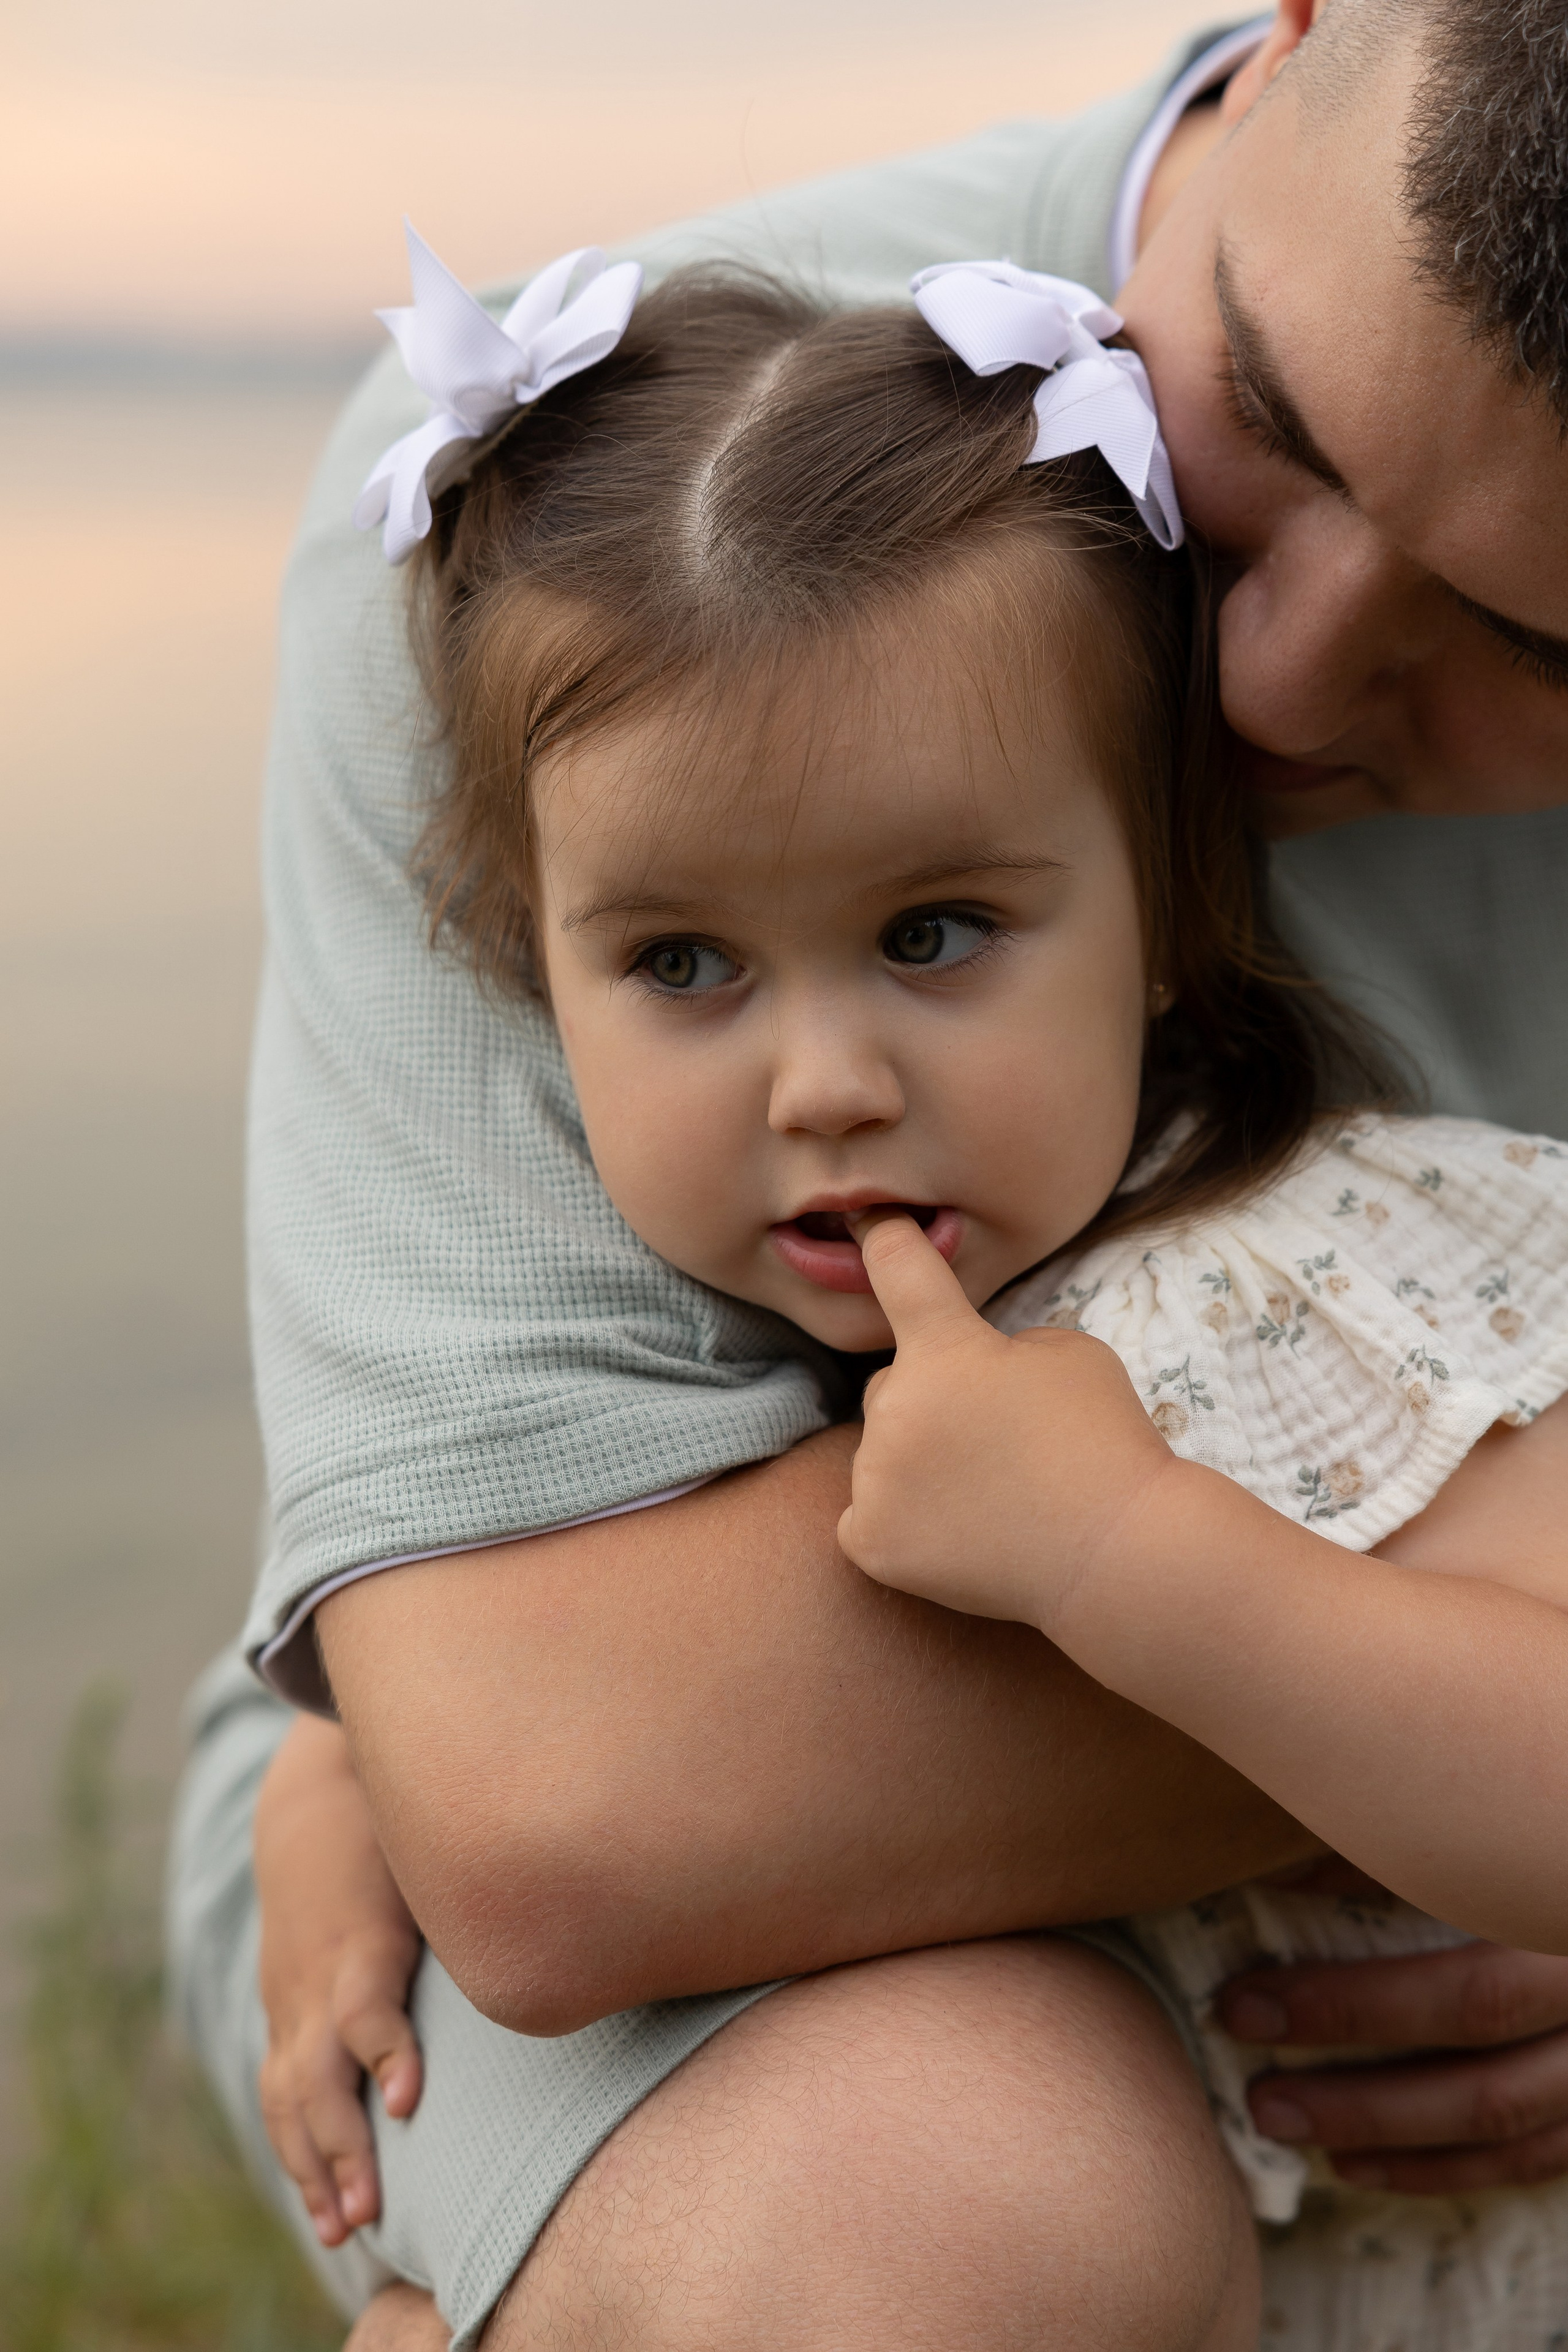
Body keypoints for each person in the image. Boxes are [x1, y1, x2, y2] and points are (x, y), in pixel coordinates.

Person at [165, 0, 1568, 2343]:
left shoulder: (1328, 1270)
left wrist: (1170, 1582)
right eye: (1275, 415)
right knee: (960, 2213)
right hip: (645, 1877)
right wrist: (352, 1773)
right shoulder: (602, 534)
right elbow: (543, 1790)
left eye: (1541, 631)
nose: (1281, 691)